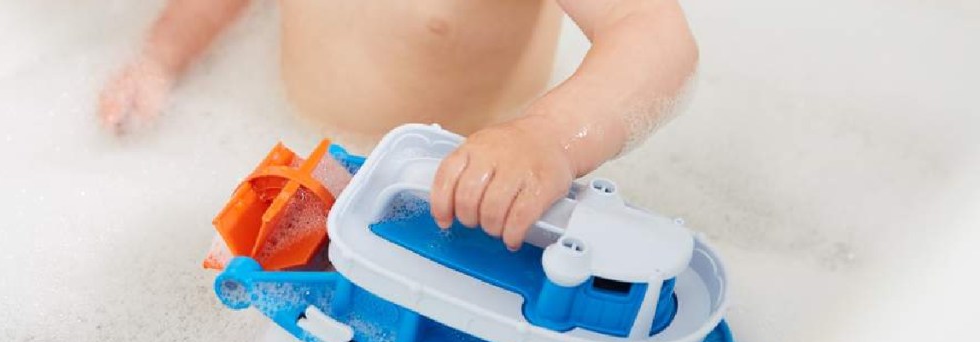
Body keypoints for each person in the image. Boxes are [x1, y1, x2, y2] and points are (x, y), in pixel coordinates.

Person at [99, 0, 698, 250]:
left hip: (455, 200)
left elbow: (655, 36)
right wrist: (160, 60)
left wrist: (545, 136)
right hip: (286, 158)